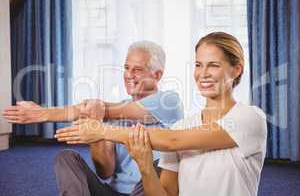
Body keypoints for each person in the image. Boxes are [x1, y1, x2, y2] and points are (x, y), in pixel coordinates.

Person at [55, 32, 267, 196]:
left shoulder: (250, 118)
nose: (203, 74)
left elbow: (173, 141)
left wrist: (101, 130)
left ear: (236, 69)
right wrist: (146, 166)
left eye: (213, 65)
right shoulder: (181, 126)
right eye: (198, 65)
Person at [3, 41, 184, 196]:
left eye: (137, 70)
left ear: (157, 75)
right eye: (127, 68)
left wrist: (44, 114)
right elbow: (105, 172)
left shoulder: (169, 101)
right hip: (113, 191)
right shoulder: (111, 114)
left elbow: (114, 109)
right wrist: (95, 126)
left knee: (155, 165)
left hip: (148, 188)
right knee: (66, 158)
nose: (129, 75)